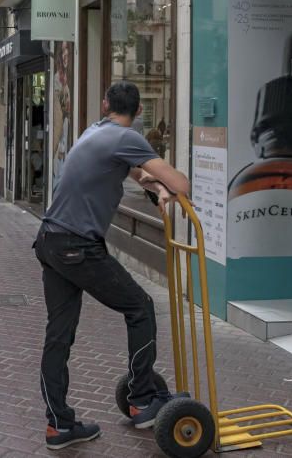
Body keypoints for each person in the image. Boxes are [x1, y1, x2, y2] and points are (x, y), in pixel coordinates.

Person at [33, 81, 191, 450]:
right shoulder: (127, 137)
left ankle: (59, 425)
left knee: (58, 335)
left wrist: (156, 188)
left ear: (105, 104)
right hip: (77, 246)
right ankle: (140, 401)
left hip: (50, 240)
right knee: (141, 308)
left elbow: (136, 173)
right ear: (137, 113)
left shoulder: (95, 131)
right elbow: (181, 181)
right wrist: (169, 188)